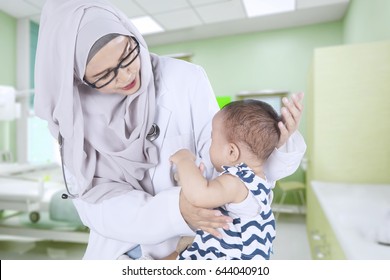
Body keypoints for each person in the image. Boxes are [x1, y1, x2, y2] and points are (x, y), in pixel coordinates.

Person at [34, 0, 306, 260]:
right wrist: (175, 210)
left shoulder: (184, 79)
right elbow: (93, 206)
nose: (127, 75)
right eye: (104, 75)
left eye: (127, 54)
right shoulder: (70, 119)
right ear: (79, 78)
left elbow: (228, 156)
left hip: (193, 251)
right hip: (117, 254)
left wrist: (277, 143)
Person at [168, 100, 281, 260]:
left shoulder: (237, 182)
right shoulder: (259, 180)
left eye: (213, 139)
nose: (210, 145)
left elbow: (199, 195)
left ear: (231, 152)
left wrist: (184, 160)